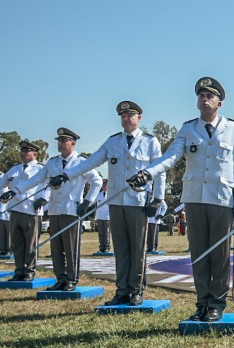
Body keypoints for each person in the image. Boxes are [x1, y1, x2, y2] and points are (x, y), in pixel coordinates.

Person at [129, 77, 234, 322]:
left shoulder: (233, 128)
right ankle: (202, 302)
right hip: (194, 198)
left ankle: (217, 303)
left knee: (219, 253)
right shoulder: (188, 129)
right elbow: (171, 158)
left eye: (209, 96)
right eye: (200, 96)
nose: (204, 99)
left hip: (221, 199)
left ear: (219, 102)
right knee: (198, 253)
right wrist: (148, 173)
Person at [51, 101, 165, 305]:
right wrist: (66, 176)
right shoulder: (113, 142)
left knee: (137, 249)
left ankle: (136, 290)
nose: (126, 118)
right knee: (121, 248)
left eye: (131, 115)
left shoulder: (150, 142)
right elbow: (90, 162)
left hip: (138, 202)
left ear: (139, 118)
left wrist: (158, 198)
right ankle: (122, 291)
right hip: (116, 202)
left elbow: (160, 170)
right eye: (123, 115)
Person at [8, 128, 103, 290]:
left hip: (71, 210)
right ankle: (60, 279)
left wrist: (87, 202)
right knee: (56, 248)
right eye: (58, 141)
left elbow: (97, 181)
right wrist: (15, 190)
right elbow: (37, 179)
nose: (59, 144)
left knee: (70, 247)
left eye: (63, 141)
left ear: (73, 143)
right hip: (54, 209)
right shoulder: (53, 162)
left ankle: (72, 279)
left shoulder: (81, 162)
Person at [0, 141, 50, 281]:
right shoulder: (14, 169)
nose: (23, 153)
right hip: (15, 209)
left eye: (26, 151)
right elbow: (2, 183)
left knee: (31, 243)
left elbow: (49, 186)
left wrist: (43, 199)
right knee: (16, 243)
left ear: (35, 154)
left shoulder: (41, 169)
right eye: (22, 150)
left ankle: (29, 270)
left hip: (31, 209)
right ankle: (19, 270)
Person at [94, 179, 113, 252]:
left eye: (105, 185)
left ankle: (107, 247)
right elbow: (92, 201)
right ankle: (101, 247)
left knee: (107, 232)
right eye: (103, 185)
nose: (104, 187)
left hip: (107, 216)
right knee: (101, 232)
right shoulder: (98, 194)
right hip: (99, 216)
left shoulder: (110, 194)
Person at [0, 173, 10, 256]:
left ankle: (9, 249)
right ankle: (2, 249)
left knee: (8, 231)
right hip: (1, 210)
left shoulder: (3, 177)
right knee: (2, 232)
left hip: (7, 209)